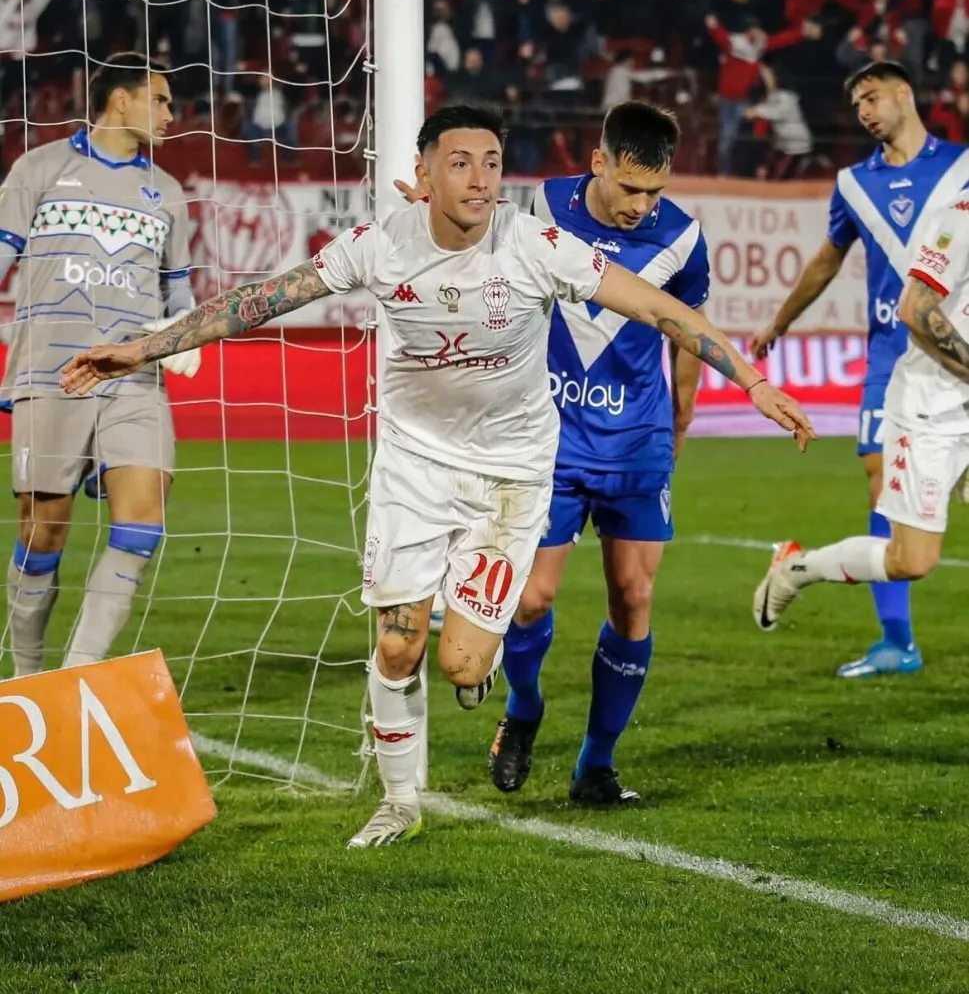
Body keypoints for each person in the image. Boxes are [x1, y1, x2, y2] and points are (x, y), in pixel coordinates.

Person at [60, 104, 815, 848]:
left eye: (491, 163)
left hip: (511, 479)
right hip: (413, 470)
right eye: (460, 163)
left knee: (460, 662)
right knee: (397, 648)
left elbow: (659, 309)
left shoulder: (536, 245)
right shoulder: (378, 244)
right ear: (422, 175)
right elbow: (264, 299)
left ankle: (483, 669)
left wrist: (752, 383)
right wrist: (149, 345)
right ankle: (399, 802)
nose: (480, 179)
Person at [492, 102, 709, 805]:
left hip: (636, 440)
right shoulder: (540, 205)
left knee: (634, 597)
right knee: (529, 599)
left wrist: (678, 424)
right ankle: (523, 708)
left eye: (655, 190)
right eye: (629, 187)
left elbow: (687, 332)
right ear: (598, 163)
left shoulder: (682, 237)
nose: (641, 205)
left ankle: (595, 764)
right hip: (550, 437)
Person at [749, 60, 969, 678]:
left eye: (872, 97)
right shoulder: (853, 183)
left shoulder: (960, 166)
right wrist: (781, 322)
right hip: (898, 357)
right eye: (856, 105)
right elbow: (826, 261)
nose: (865, 112)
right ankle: (895, 638)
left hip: (957, 354)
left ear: (906, 93)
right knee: (885, 494)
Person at [0, 52, 196, 678]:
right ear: (121, 100)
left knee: (143, 522)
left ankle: (77, 673)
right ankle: (26, 675)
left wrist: (182, 332)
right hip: (50, 373)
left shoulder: (166, 192)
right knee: (43, 533)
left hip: (132, 373)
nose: (171, 114)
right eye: (161, 100)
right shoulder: (38, 168)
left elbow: (178, 289)